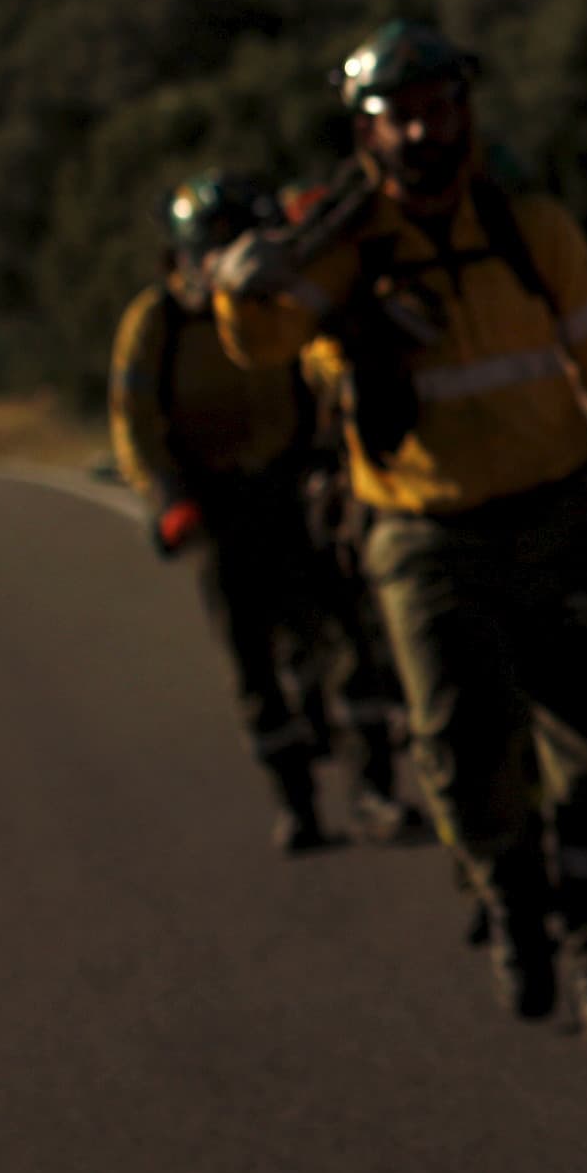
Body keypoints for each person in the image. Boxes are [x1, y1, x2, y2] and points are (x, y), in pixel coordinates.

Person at [213, 23, 587, 1043]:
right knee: (463, 755)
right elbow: (268, 340)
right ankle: (511, 902)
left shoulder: (530, 226)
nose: (423, 128)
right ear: (366, 128)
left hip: (556, 516)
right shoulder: (345, 244)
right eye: (399, 113)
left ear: (465, 110)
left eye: (438, 106)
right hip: (422, 537)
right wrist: (245, 285)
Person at [110, 170, 412, 854]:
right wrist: (167, 497)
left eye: (238, 237)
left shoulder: (285, 298)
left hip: (297, 486)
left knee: (351, 641)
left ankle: (376, 792)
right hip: (217, 504)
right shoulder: (157, 322)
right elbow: (135, 421)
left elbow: (323, 368)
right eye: (210, 243)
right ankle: (297, 803)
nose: (223, 256)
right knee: (252, 663)